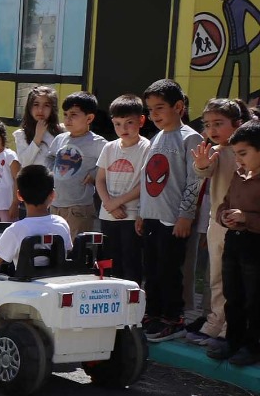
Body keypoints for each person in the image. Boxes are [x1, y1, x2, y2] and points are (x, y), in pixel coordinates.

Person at [138, 79, 204, 342]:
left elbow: (194, 180)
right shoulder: (155, 137)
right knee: (152, 269)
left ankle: (173, 318)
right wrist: (142, 212)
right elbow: (146, 180)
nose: (154, 114)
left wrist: (185, 215)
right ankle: (153, 314)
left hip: (173, 219)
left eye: (160, 108)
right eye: (150, 109)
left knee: (169, 270)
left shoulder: (191, 138)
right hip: (152, 217)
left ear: (178, 107)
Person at [0, 164, 72, 291]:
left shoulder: (16, 230)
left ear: (19, 195)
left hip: (22, 288)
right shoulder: (61, 224)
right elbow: (67, 253)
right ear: (52, 195)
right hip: (54, 284)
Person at [188, 99, 246, 349]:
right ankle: (215, 321)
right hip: (217, 224)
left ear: (237, 124)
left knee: (236, 279)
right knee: (216, 278)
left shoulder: (245, 150)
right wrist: (201, 164)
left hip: (242, 225)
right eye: (208, 124)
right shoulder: (216, 152)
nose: (212, 129)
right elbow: (204, 171)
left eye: (218, 123)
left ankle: (230, 327)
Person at [209, 119, 260, 365]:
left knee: (254, 298)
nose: (238, 159)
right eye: (235, 154)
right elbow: (224, 205)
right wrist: (225, 217)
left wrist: (246, 218)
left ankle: (253, 346)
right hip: (234, 241)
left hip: (255, 246)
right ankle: (233, 340)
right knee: (233, 294)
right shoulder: (239, 175)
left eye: (243, 153)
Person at [96, 95, 151, 285]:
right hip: (107, 214)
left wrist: (117, 202)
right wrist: (108, 203)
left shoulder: (147, 148)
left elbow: (145, 184)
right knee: (109, 262)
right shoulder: (109, 147)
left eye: (129, 123)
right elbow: (100, 179)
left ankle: (131, 299)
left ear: (141, 121)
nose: (123, 129)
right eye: (118, 124)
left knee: (131, 262)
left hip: (131, 215)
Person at [50, 92, 106, 239]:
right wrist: (50, 172)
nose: (68, 119)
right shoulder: (59, 139)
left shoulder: (97, 143)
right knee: (56, 245)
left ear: (89, 118)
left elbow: (110, 162)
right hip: (56, 204)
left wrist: (95, 174)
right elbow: (50, 157)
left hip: (79, 208)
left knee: (76, 247)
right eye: (65, 114)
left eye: (73, 115)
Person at [14, 85, 61, 170]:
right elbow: (24, 162)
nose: (40, 110)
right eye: (36, 104)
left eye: (46, 105)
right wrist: (38, 137)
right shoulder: (21, 134)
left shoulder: (60, 132)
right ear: (29, 107)